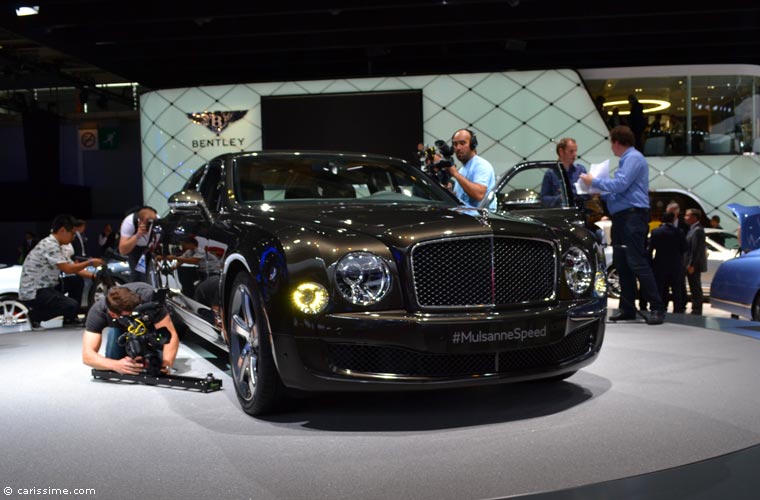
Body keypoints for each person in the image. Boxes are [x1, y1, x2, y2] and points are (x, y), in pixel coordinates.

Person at [580, 125, 665, 325]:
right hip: (623, 218)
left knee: (637, 262)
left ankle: (657, 307)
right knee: (623, 264)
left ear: (617, 142)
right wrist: (600, 190)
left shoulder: (633, 158)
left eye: (611, 143)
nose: (611, 147)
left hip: (633, 217)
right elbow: (619, 191)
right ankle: (627, 308)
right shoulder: (628, 160)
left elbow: (620, 184)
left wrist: (596, 181)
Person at [18, 214, 104, 329]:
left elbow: (73, 267)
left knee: (76, 281)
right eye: (72, 233)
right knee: (71, 305)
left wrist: (95, 276)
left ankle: (70, 318)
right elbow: (67, 269)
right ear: (63, 230)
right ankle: (34, 316)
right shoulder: (50, 245)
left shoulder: (58, 246)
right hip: (35, 292)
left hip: (47, 287)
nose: (73, 237)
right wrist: (90, 263)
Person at [82, 283, 179, 375]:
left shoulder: (149, 300)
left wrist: (167, 365)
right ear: (113, 314)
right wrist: (115, 365)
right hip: (119, 327)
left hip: (150, 324)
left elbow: (171, 335)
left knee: (156, 361)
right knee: (112, 359)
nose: (133, 316)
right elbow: (87, 356)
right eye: (129, 315)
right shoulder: (98, 311)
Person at [446, 129, 496, 210]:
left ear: (473, 145)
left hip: (481, 219)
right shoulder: (462, 170)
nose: (458, 148)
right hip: (466, 218)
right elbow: (461, 199)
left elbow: (479, 195)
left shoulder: (481, 165)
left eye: (462, 143)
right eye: (455, 144)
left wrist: (455, 174)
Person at [649, 211, 687, 313]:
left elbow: (650, 249)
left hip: (660, 264)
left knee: (660, 288)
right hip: (675, 264)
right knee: (676, 289)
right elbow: (684, 248)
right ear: (673, 219)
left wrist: (650, 262)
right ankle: (678, 309)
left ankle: (660, 307)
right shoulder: (679, 232)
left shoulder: (656, 232)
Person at [540, 137, 587, 207]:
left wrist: (570, 194)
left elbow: (588, 195)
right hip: (559, 214)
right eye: (571, 151)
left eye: (575, 151)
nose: (575, 154)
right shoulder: (550, 173)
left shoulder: (580, 170)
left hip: (579, 213)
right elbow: (544, 199)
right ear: (561, 152)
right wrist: (560, 198)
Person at [118, 206, 158, 283]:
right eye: (149, 222)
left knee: (152, 276)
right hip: (134, 248)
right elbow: (122, 250)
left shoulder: (157, 222)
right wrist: (137, 235)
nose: (151, 225)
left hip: (150, 248)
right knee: (137, 276)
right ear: (140, 221)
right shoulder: (129, 222)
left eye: (153, 221)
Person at [684, 208, 707, 315]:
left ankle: (697, 309)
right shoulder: (692, 229)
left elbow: (696, 249)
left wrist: (691, 264)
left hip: (694, 265)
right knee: (693, 286)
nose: (685, 217)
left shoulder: (697, 230)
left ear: (694, 217)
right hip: (690, 263)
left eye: (687, 215)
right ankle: (695, 307)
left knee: (695, 286)